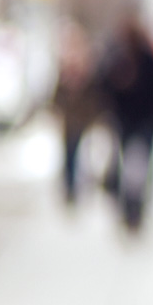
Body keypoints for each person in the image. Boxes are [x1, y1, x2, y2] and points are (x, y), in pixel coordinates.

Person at [98, 16, 153, 233]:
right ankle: (128, 209)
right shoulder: (118, 58)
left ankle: (138, 208)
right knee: (126, 165)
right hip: (126, 121)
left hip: (144, 121)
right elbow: (106, 88)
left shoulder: (148, 60)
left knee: (142, 166)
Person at [53, 23, 100, 207]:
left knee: (79, 153)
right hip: (68, 119)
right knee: (68, 153)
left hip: (80, 118)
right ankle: (69, 187)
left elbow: (92, 95)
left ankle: (76, 186)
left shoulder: (86, 67)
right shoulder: (64, 67)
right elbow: (57, 95)